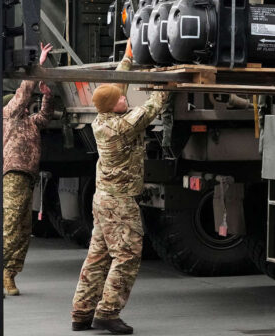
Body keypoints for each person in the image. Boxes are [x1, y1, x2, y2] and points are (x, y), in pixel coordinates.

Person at [71, 43, 171, 334]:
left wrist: (127, 58)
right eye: (120, 100)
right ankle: (107, 313)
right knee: (127, 255)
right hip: (118, 203)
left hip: (104, 201)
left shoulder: (104, 118)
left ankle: (81, 313)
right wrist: (163, 81)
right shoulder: (120, 126)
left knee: (98, 256)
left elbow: (118, 86)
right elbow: (152, 107)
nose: (125, 99)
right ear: (113, 106)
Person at [3, 43, 54, 296]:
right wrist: (39, 65)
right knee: (10, 225)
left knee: (24, 230)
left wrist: (47, 95)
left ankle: (9, 275)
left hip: (28, 177)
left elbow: (45, 116)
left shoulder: (30, 122)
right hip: (13, 175)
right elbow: (23, 92)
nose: (24, 104)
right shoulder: (8, 115)